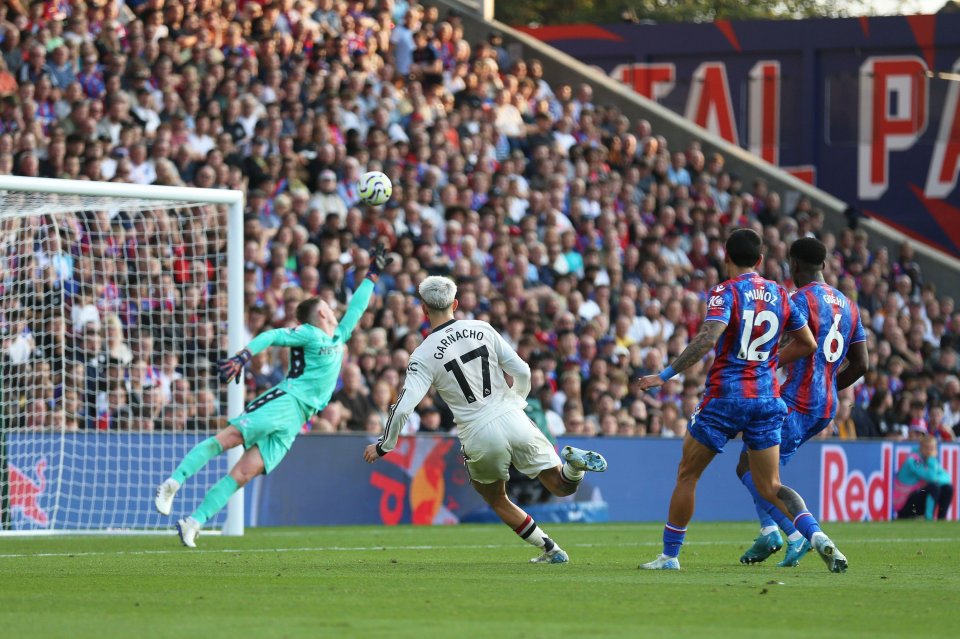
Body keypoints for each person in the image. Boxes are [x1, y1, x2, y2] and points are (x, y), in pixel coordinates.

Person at [636, 229, 848, 573]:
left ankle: (670, 556)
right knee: (771, 485)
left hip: (726, 396)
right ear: (761, 261)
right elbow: (808, 342)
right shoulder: (780, 293)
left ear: (726, 258)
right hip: (767, 399)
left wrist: (663, 375)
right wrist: (768, 363)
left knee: (688, 474)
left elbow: (708, 338)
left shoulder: (725, 292)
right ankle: (815, 536)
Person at [155, 244, 391, 547]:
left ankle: (194, 522)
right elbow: (272, 335)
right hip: (285, 401)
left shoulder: (338, 336)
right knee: (227, 440)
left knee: (243, 473)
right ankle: (172, 484)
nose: (335, 311)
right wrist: (243, 356)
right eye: (330, 307)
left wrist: (371, 275)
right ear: (321, 312)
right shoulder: (310, 332)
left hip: (297, 420)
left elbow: (357, 307)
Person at [362, 276, 607, 564]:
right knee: (561, 485)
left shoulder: (423, 354)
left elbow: (403, 409)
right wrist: (516, 402)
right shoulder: (482, 328)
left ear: (424, 310)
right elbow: (523, 371)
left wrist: (384, 446)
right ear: (455, 303)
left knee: (496, 498)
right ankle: (575, 467)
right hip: (512, 416)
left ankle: (551, 549)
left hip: (478, 432)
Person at [737, 238, 868, 567]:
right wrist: (827, 386)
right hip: (825, 405)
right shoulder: (850, 306)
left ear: (793, 266)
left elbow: (775, 346)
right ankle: (771, 531)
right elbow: (862, 363)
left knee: (755, 472)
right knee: (755, 465)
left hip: (796, 401)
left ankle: (799, 534)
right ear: (823, 266)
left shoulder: (797, 300)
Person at [894, 435, 954, 520]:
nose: (930, 451)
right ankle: (928, 519)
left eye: (932, 448)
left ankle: (942, 520)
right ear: (921, 448)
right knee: (934, 487)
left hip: (917, 499)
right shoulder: (913, 460)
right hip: (905, 505)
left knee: (948, 488)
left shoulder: (929, 460)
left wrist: (935, 479)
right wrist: (932, 460)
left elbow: (947, 478)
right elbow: (931, 478)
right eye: (927, 448)